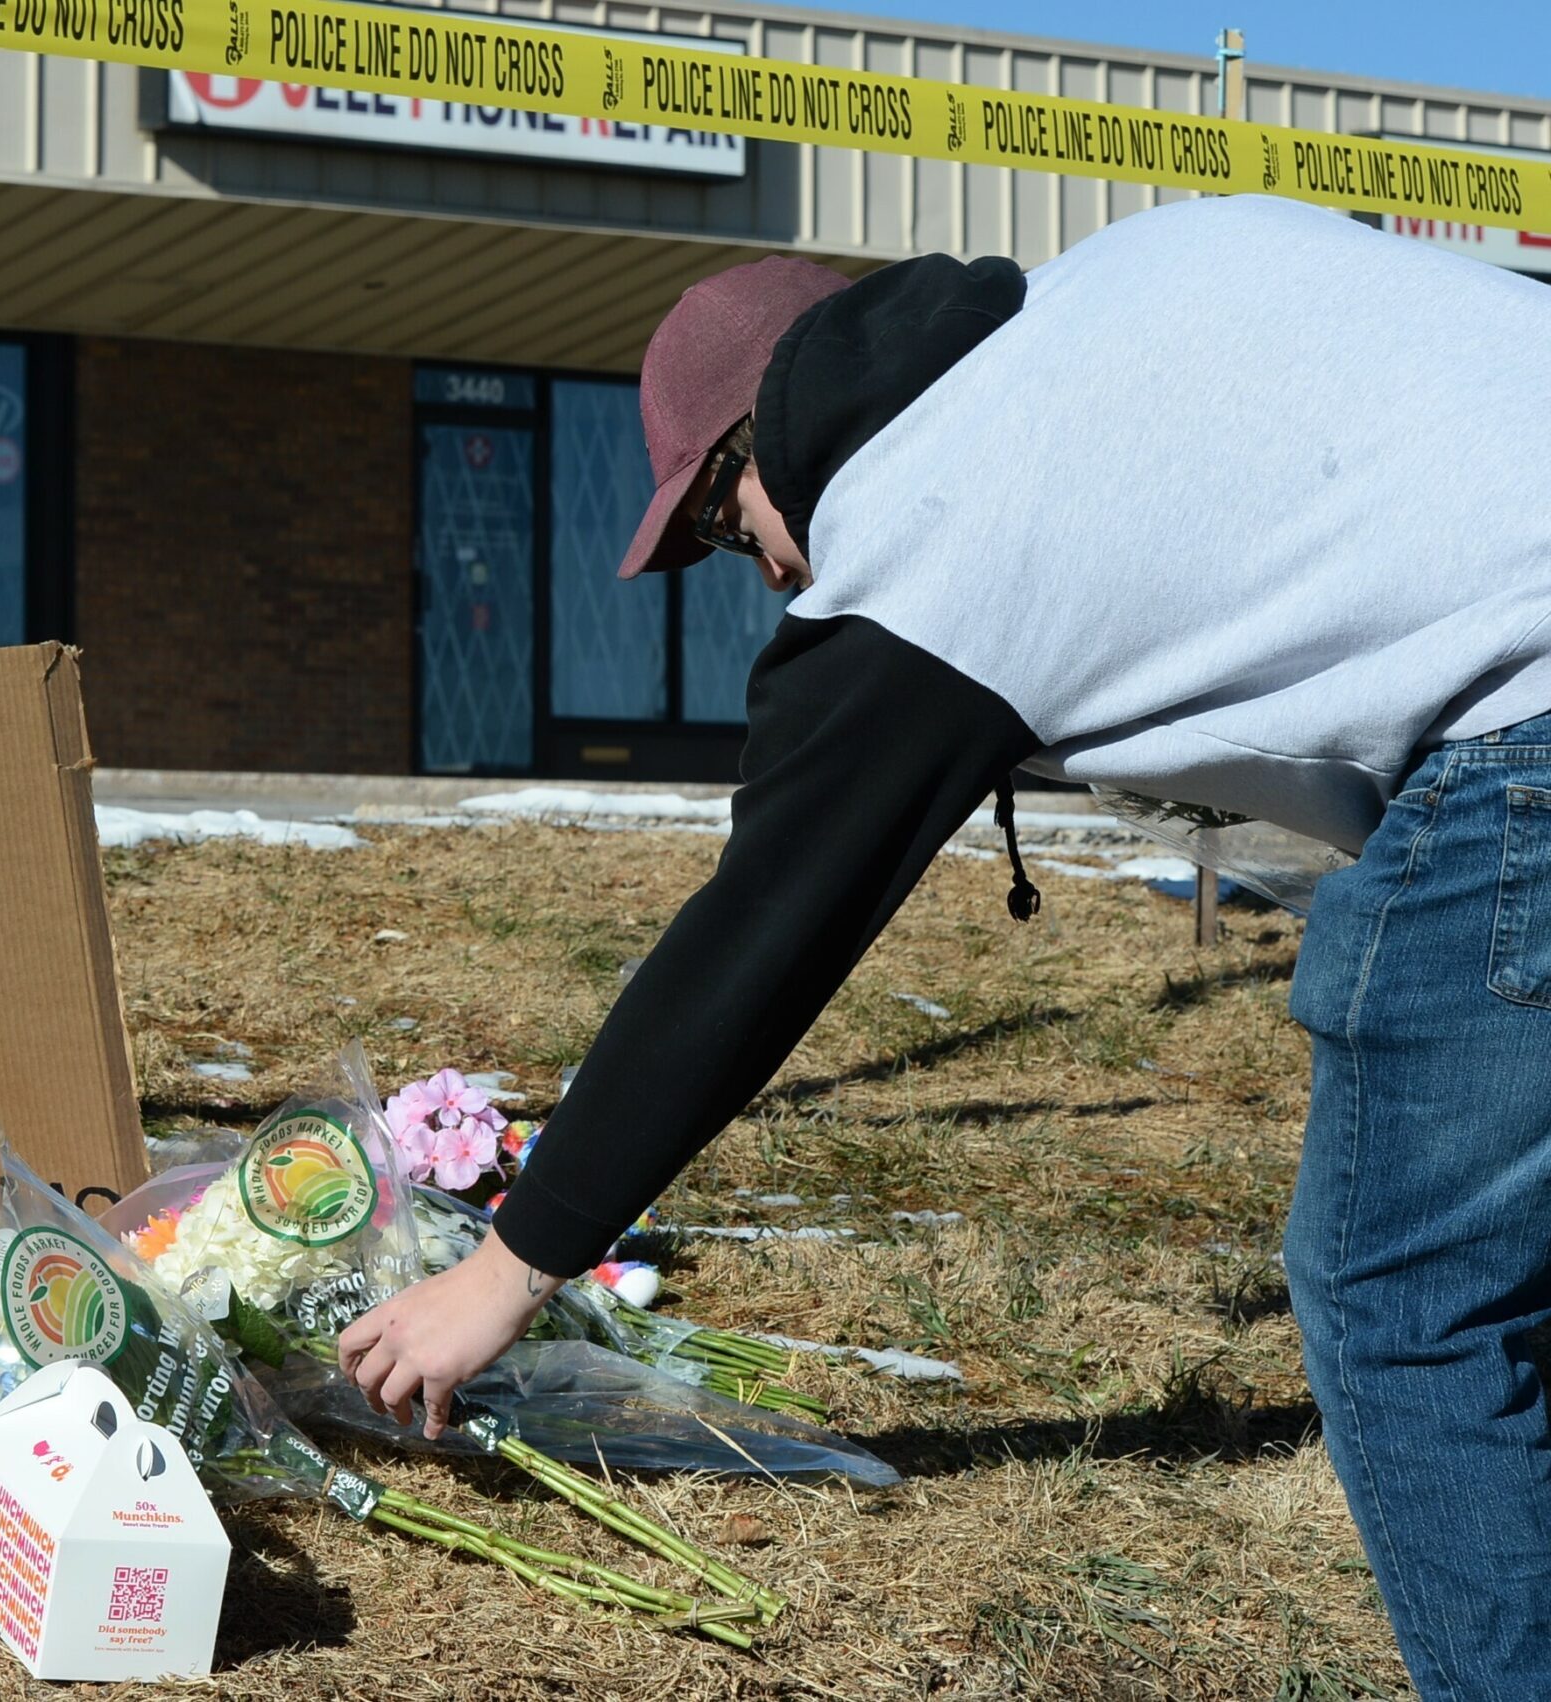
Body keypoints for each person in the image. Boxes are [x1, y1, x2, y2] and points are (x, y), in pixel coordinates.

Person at [336, 193, 1551, 1698]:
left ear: (764, 443)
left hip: (1528, 716)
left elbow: (759, 936)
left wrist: (512, 1263)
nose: (768, 572)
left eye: (723, 528)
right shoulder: (1084, 324)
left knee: (1402, 1287)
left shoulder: (934, 517)